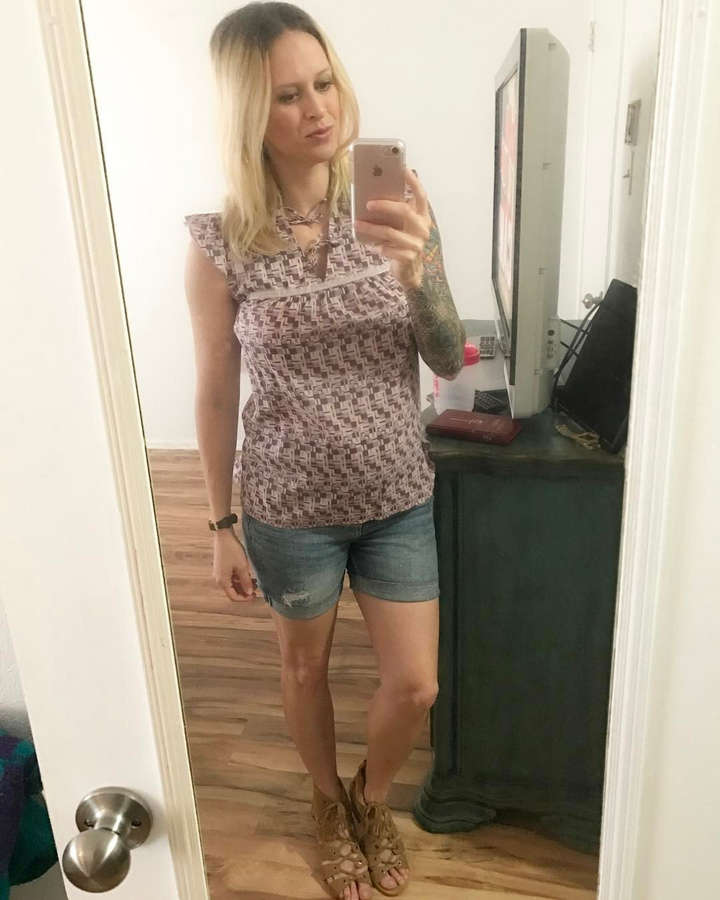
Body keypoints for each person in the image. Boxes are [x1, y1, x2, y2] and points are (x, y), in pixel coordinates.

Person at [183, 4, 465, 897]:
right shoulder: (221, 244)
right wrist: (220, 523)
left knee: (415, 686)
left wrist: (419, 276)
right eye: (287, 95)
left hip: (397, 498)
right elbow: (216, 390)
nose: (317, 109)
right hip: (289, 511)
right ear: (248, 114)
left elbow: (448, 358)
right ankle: (325, 801)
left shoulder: (396, 207)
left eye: (324, 82)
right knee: (303, 667)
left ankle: (370, 799)